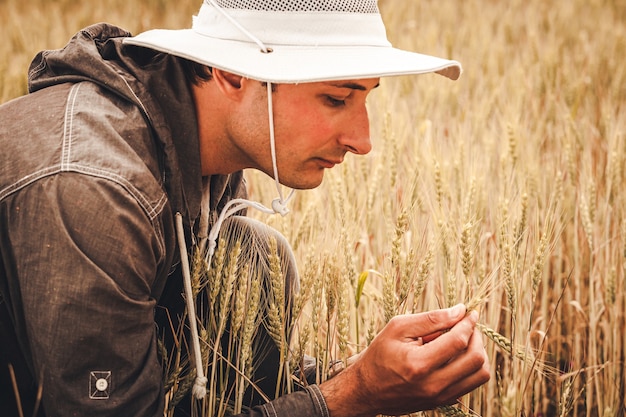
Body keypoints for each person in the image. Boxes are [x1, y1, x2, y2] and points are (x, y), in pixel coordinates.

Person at [0, 0, 490, 416]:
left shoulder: (207, 154)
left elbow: (212, 373)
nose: (362, 140)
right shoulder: (96, 188)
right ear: (233, 73)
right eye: (337, 98)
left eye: (364, 98)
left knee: (255, 256)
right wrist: (351, 396)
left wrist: (368, 373)